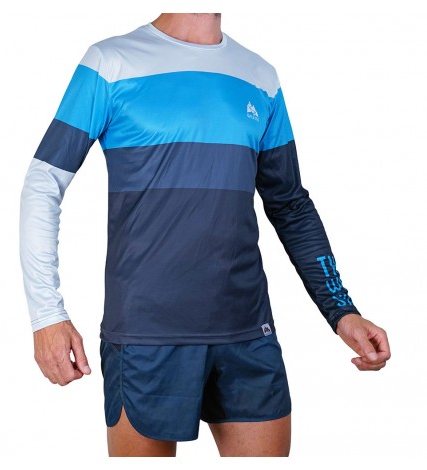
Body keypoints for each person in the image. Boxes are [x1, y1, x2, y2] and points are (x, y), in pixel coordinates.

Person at [19, 13, 391, 457]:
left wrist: (342, 310)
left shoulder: (260, 76)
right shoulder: (111, 62)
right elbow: (44, 181)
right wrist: (47, 315)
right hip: (147, 336)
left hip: (248, 333)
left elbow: (290, 204)